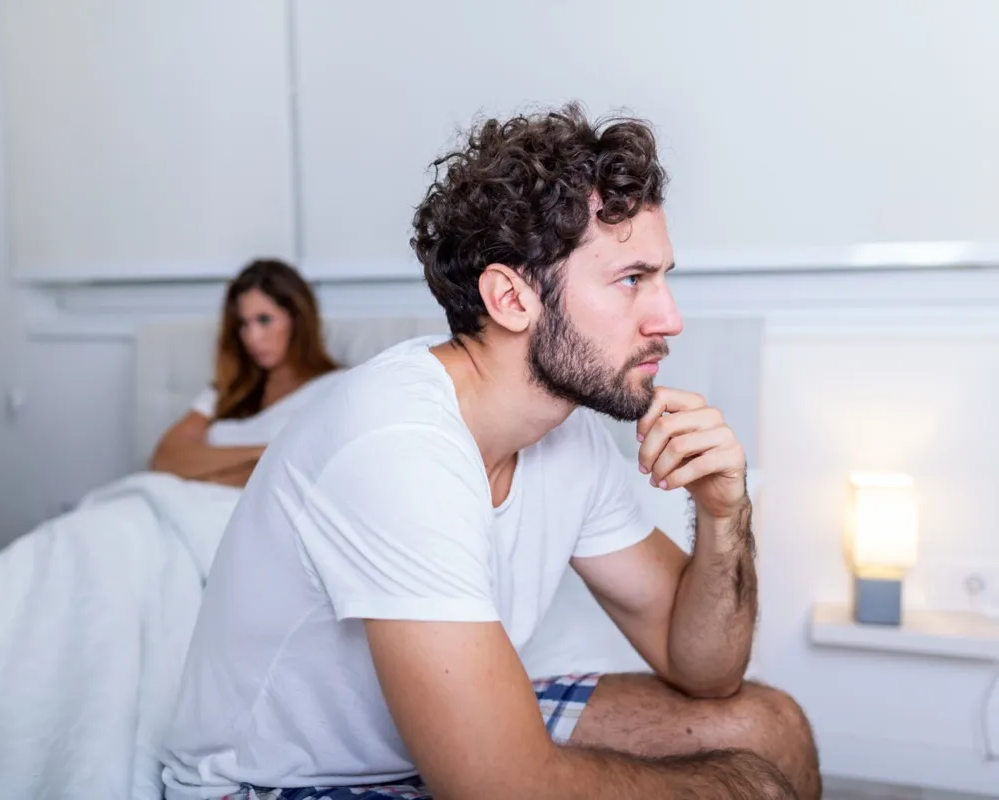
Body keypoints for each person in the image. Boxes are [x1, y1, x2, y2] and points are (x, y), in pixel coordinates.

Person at [162, 104, 820, 800]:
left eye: (663, 278)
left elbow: (706, 672)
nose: (669, 319)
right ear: (511, 297)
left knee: (767, 727)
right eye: (632, 279)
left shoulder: (569, 436)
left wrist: (723, 514)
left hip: (419, 745)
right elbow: (501, 788)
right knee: (749, 786)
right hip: (277, 786)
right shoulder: (397, 444)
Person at [150, 258, 340, 488]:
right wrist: (262, 453)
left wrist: (208, 470)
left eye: (264, 320)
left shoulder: (335, 387)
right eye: (243, 324)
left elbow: (310, 473)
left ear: (298, 319)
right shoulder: (227, 390)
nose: (252, 337)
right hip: (182, 499)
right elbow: (165, 458)